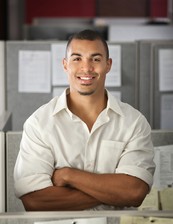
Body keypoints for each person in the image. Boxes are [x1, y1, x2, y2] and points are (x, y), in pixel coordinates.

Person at [14, 29, 155, 211]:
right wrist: (114, 193)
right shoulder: (39, 123)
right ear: (65, 65)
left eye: (95, 59)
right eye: (77, 58)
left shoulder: (134, 122)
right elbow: (34, 200)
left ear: (108, 65)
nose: (86, 68)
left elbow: (134, 192)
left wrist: (68, 175)